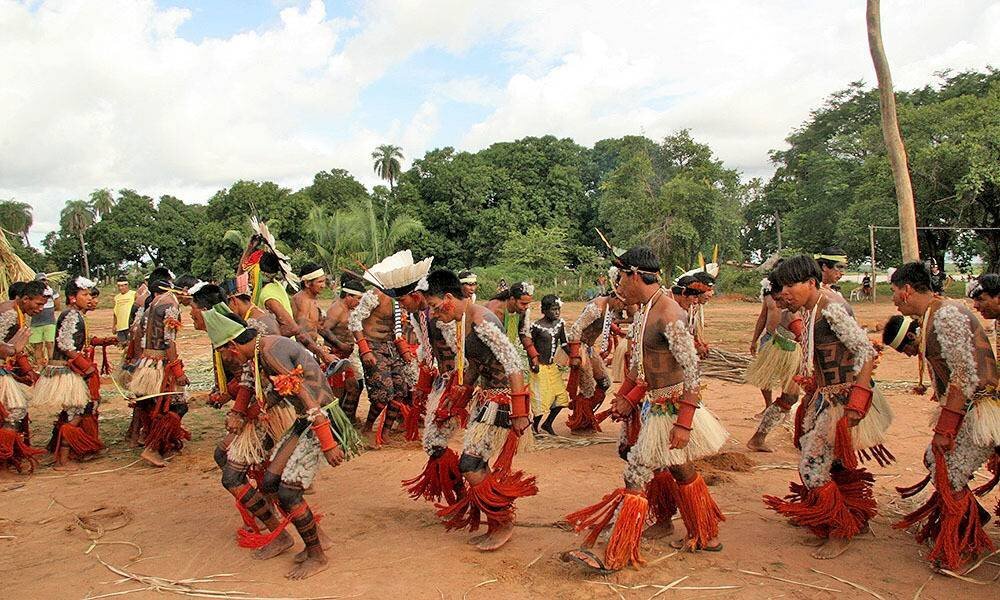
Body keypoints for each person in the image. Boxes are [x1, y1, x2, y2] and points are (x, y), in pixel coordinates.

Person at [565, 246, 728, 572]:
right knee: (680, 469)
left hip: (672, 408)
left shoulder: (669, 313)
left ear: (635, 274)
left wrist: (683, 423)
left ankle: (617, 552)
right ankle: (705, 534)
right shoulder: (645, 311)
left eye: (621, 278)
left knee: (636, 471)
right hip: (656, 403)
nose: (618, 285)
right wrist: (627, 395)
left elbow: (692, 371)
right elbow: (643, 367)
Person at [762, 255, 893, 560]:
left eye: (789, 286)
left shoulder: (830, 310)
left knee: (812, 466)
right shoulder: (810, 311)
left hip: (843, 401)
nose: (783, 293)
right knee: (830, 463)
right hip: (826, 397)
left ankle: (839, 529)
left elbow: (865, 351)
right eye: (780, 287)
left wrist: (855, 404)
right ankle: (851, 517)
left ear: (810, 283)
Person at [205, 308, 348, 580]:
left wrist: (327, 440)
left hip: (321, 419)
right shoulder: (262, 350)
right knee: (271, 483)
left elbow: (304, 394)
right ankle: (314, 541)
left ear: (232, 347)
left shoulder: (270, 351)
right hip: (306, 419)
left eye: (222, 353)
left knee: (288, 492)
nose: (225, 359)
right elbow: (280, 392)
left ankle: (317, 555)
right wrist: (250, 412)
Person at [884, 262, 999, 571]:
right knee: (936, 462)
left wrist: (946, 428)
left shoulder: (946, 315)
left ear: (907, 290)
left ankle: (965, 541)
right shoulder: (936, 314)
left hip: (982, 409)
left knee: (947, 468)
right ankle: (971, 519)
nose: (893, 299)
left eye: (894, 292)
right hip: (975, 406)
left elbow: (963, 374)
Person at [423, 269, 537, 552]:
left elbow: (513, 365)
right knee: (477, 463)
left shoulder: (482, 320)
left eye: (436, 307)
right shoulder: (462, 322)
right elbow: (474, 365)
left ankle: (503, 520)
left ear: (449, 298)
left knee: (471, 464)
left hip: (503, 400)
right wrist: (458, 397)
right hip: (486, 397)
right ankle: (498, 518)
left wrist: (520, 412)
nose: (434, 315)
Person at [35, 278, 114, 470]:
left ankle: (63, 451)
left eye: (89, 295)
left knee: (75, 410)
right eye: (84, 295)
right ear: (72, 298)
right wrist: (86, 367)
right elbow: (65, 344)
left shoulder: (75, 314)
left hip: (70, 368)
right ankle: (62, 460)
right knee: (77, 411)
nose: (89, 298)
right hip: (67, 369)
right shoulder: (71, 314)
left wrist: (100, 342)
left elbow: (78, 341)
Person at [349, 250, 427, 438]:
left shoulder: (405, 299)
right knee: (383, 393)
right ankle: (368, 428)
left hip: (391, 348)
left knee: (401, 390)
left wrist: (407, 354)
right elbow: (354, 321)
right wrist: (365, 350)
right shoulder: (375, 296)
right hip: (373, 346)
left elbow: (402, 330)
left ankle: (384, 432)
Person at [127, 273, 190, 467]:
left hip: (147, 362)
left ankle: (157, 443)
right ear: (183, 290)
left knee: (151, 405)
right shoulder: (171, 304)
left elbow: (137, 333)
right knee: (176, 406)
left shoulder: (153, 304)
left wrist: (137, 361)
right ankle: (152, 448)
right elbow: (169, 340)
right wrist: (177, 371)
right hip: (161, 364)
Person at [745, 274, 805, 452]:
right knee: (790, 396)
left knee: (795, 396)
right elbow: (766, 318)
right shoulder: (790, 313)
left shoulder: (799, 309)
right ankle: (759, 437)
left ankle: (803, 437)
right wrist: (755, 340)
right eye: (776, 300)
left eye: (780, 300)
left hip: (793, 351)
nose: (778, 305)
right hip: (783, 347)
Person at [0, 280, 46, 473]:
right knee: (15, 410)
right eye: (38, 304)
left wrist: (27, 370)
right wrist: (12, 349)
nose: (41, 309)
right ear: (25, 299)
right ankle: (3, 463)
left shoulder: (18, 312)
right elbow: (6, 347)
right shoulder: (9, 313)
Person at [565, 289, 626, 434]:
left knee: (604, 383)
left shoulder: (609, 308)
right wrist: (576, 355)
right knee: (587, 388)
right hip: (580, 348)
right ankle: (580, 423)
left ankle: (586, 418)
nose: (623, 307)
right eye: (622, 304)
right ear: (615, 298)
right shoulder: (596, 308)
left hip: (589, 348)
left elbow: (607, 324)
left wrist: (619, 331)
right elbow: (576, 328)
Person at [320, 275, 365, 423]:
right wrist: (340, 345)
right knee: (339, 392)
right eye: (357, 298)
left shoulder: (348, 309)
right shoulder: (337, 309)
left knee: (353, 387)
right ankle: (335, 423)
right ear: (348, 296)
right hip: (335, 356)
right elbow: (324, 330)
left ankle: (345, 420)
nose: (359, 302)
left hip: (345, 356)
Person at [528, 295, 569, 435]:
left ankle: (548, 423)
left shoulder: (560, 324)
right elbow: (529, 346)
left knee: (562, 397)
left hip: (552, 368)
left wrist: (575, 356)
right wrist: (532, 363)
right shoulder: (536, 326)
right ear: (544, 310)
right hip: (539, 367)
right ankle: (534, 426)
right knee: (541, 400)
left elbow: (564, 344)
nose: (557, 312)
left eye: (558, 309)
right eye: (553, 309)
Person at [292, 263, 333, 365]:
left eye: (324, 281)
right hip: (303, 351)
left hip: (310, 349)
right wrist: (319, 351)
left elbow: (317, 327)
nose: (323, 285)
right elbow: (301, 334)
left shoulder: (312, 299)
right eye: (319, 282)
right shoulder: (303, 301)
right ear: (307, 283)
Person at [29, 273, 61, 367]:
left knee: (50, 345)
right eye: (41, 280)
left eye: (44, 280)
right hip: (36, 324)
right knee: (37, 346)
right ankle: (40, 367)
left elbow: (57, 305)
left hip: (49, 322)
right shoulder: (32, 294)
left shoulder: (52, 292)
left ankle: (51, 365)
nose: (44, 282)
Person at [112, 278, 136, 346]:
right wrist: (114, 325)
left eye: (122, 286)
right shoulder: (116, 297)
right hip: (120, 327)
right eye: (119, 286)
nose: (120, 288)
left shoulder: (134, 294)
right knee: (122, 346)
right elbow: (115, 313)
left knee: (131, 346)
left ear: (127, 285)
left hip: (130, 326)